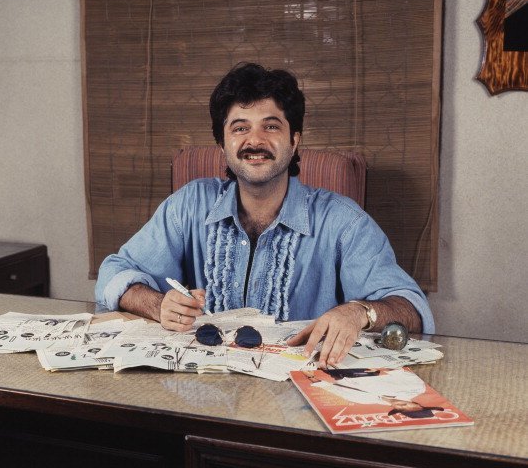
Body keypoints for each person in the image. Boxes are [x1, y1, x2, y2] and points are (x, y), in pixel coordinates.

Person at [95, 63, 435, 367]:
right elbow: (114, 273)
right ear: (223, 145)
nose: (254, 140)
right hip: (202, 393)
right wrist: (157, 304)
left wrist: (360, 312)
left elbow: (413, 310)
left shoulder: (344, 222)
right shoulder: (189, 205)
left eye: (271, 127)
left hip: (298, 400)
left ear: (294, 140)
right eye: (240, 128)